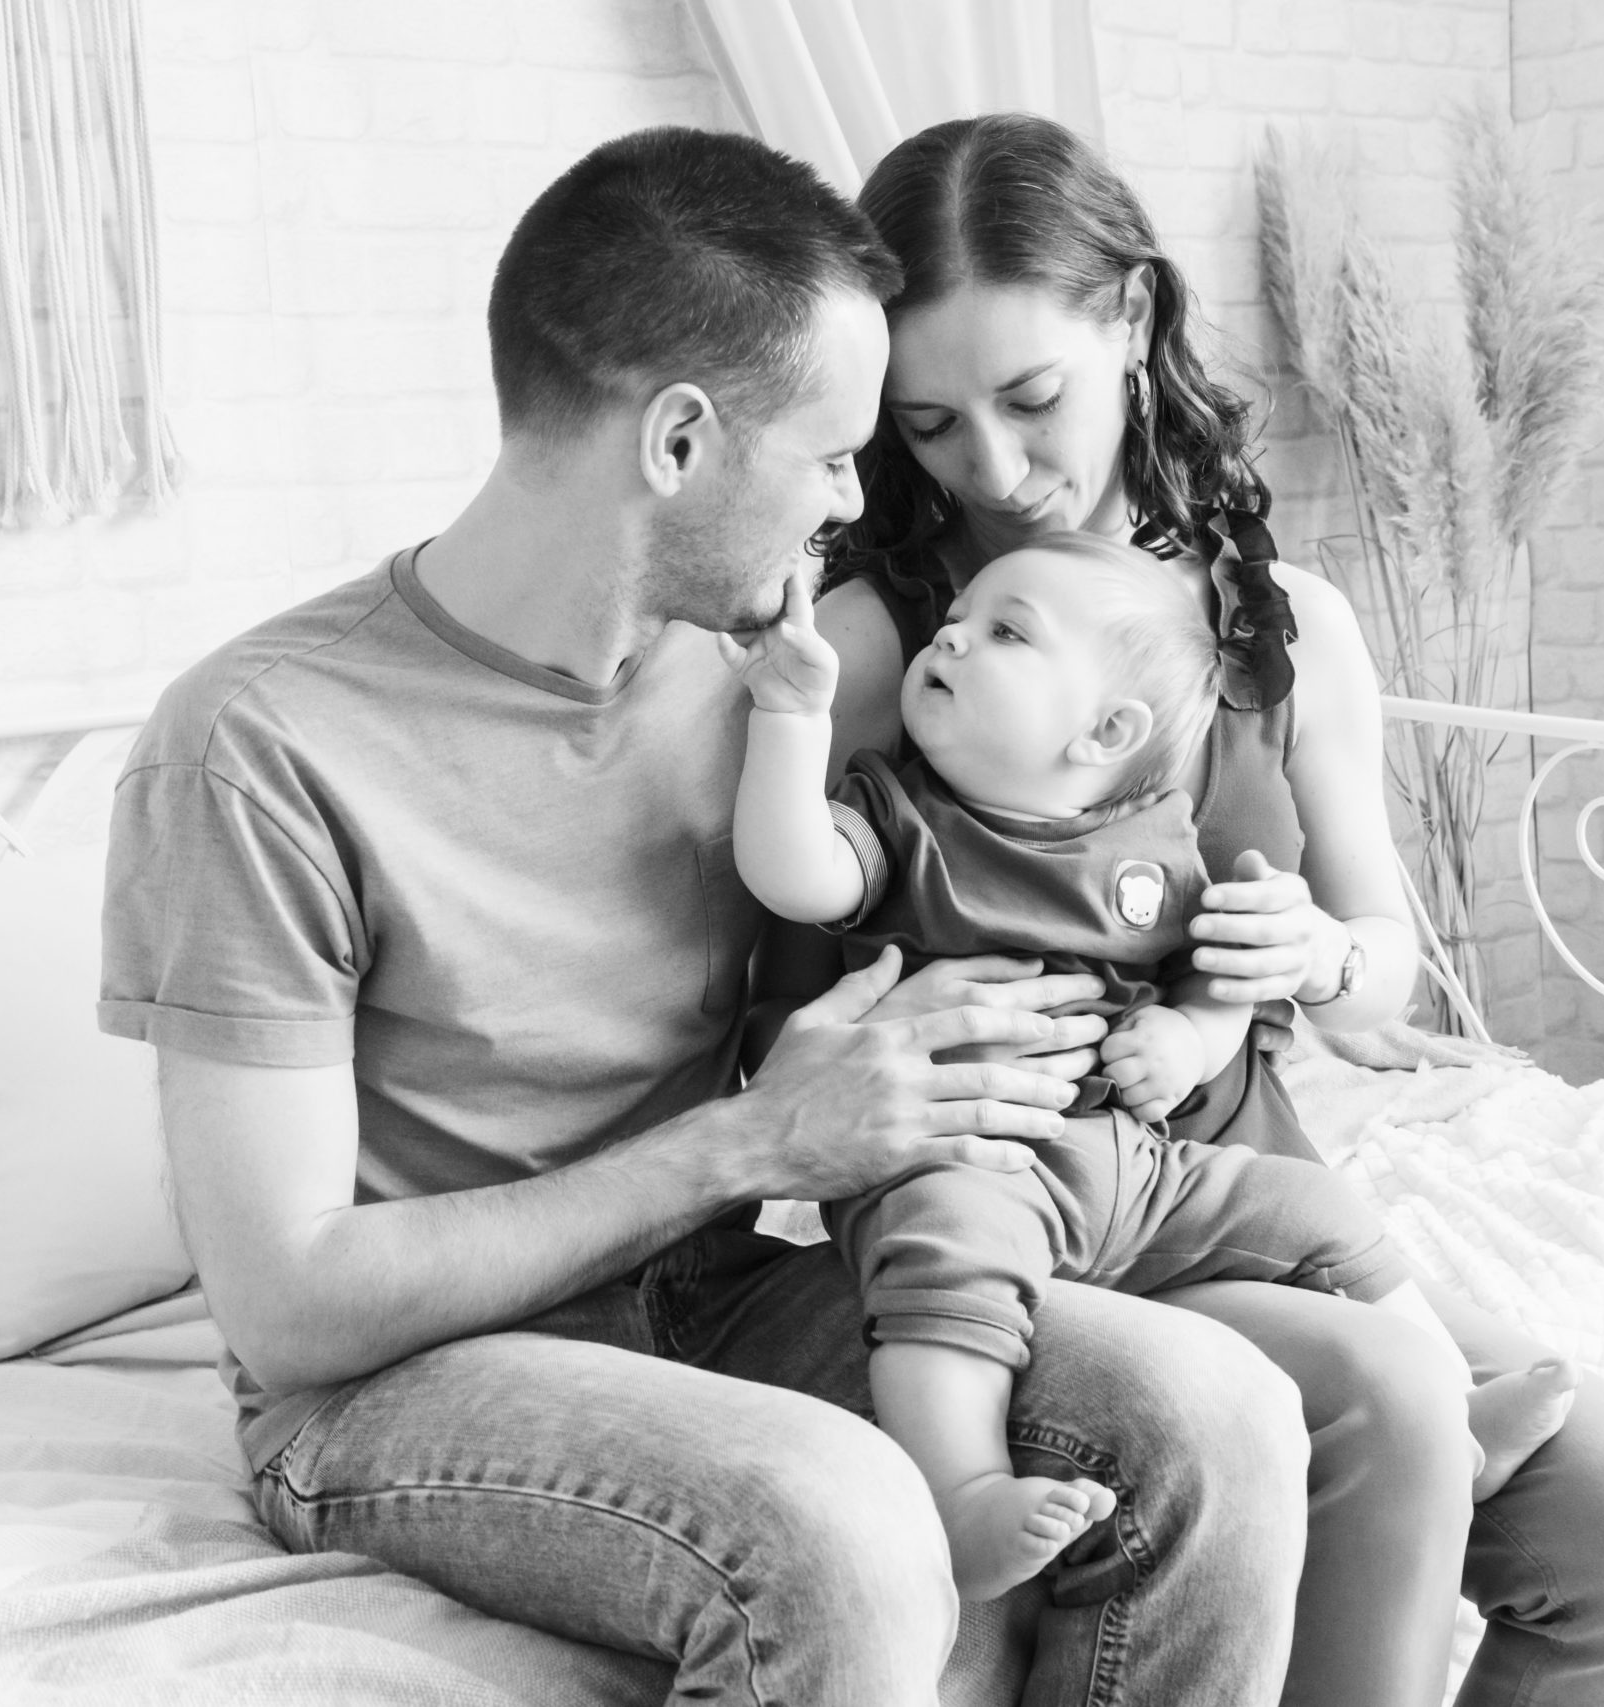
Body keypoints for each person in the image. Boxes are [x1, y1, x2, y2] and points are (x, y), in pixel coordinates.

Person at [99, 126, 1312, 1707]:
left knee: (1213, 1410)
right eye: (830, 458)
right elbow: (290, 1302)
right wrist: (753, 1141)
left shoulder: (769, 688)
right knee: (846, 1527)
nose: (851, 507)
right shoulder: (256, 745)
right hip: (398, 1380)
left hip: (717, 1289)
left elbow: (1001, 856)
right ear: (678, 440)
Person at [790, 112, 1604, 1707]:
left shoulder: (1280, 627)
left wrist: (1312, 952)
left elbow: (1383, 982)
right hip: (1025, 1207)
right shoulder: (885, 647)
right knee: (1385, 1385)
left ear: (1137, 322)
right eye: (936, 423)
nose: (999, 473)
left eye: (1034, 402)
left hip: (1246, 1172)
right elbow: (745, 978)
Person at [727, 530, 1578, 1601]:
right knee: (942, 1259)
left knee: (1310, 1207)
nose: (950, 635)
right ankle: (962, 1489)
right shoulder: (898, 821)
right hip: (966, 1157)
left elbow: (1219, 975)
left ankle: (1457, 1418)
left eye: (1004, 633)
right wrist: (789, 715)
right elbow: (794, 874)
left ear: (1106, 732)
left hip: (1138, 1164)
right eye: (956, 620)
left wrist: (1186, 1036)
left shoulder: (1150, 839)